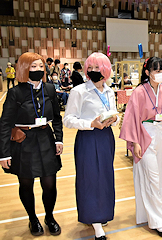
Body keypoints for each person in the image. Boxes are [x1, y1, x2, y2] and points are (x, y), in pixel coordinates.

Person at [0, 52, 63, 236]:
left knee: (50, 183)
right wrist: (4, 153)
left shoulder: (50, 89)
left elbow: (57, 118)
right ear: (24, 68)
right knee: (26, 184)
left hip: (45, 138)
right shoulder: (15, 92)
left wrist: (58, 138)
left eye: (40, 66)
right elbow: (4, 124)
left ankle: (49, 217)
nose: (37, 70)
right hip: (23, 142)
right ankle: (32, 218)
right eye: (33, 66)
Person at [119, 57, 162, 237]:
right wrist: (136, 142)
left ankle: (158, 212)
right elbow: (131, 118)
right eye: (157, 70)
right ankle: (160, 222)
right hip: (144, 133)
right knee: (152, 177)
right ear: (147, 73)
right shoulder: (138, 92)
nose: (161, 74)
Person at [63, 52, 119, 240]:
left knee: (105, 177)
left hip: (106, 138)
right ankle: (95, 221)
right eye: (91, 67)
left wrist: (114, 119)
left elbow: (115, 113)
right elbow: (68, 120)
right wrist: (90, 124)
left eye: (99, 67)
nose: (95, 71)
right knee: (90, 179)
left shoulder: (110, 91)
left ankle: (102, 213)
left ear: (106, 70)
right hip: (88, 139)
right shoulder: (79, 91)